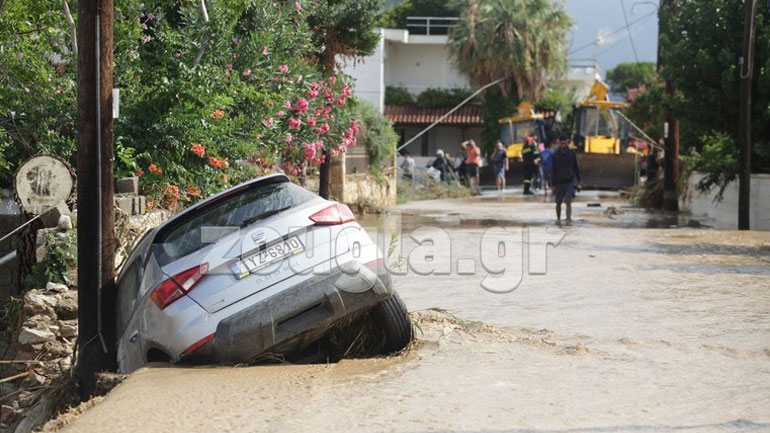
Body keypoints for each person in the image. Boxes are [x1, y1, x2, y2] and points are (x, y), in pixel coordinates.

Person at [551, 139, 581, 223]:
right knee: (558, 202)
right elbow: (553, 170)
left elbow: (576, 168)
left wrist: (578, 181)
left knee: (568, 200)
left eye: (565, 143)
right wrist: (553, 184)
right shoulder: (556, 155)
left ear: (568, 143)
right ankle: (558, 219)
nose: (564, 145)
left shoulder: (572, 154)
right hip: (559, 182)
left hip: (569, 181)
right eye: (562, 143)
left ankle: (568, 218)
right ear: (560, 144)